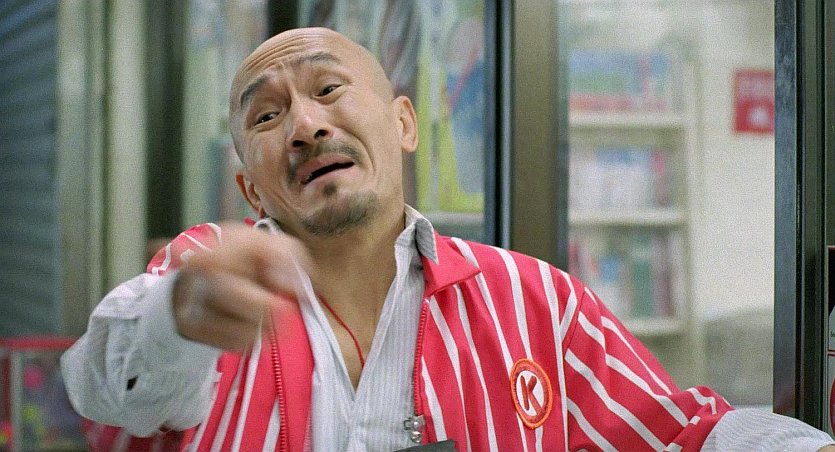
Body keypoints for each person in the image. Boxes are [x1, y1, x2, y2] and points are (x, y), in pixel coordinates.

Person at [61, 27, 835, 451]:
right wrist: (178, 317)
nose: (305, 125)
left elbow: (679, 434)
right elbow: (102, 395)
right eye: (267, 115)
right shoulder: (201, 274)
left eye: (328, 88)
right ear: (250, 190)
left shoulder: (535, 300)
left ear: (403, 124)